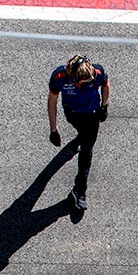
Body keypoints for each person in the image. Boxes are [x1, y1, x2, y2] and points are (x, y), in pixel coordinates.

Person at [47, 54, 109, 210]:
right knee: (83, 136)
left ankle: (79, 190)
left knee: (87, 151)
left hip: (92, 115)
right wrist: (53, 130)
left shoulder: (97, 73)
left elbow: (105, 85)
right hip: (73, 114)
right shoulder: (59, 76)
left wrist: (104, 106)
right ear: (74, 77)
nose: (90, 81)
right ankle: (80, 140)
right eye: (85, 81)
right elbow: (52, 101)